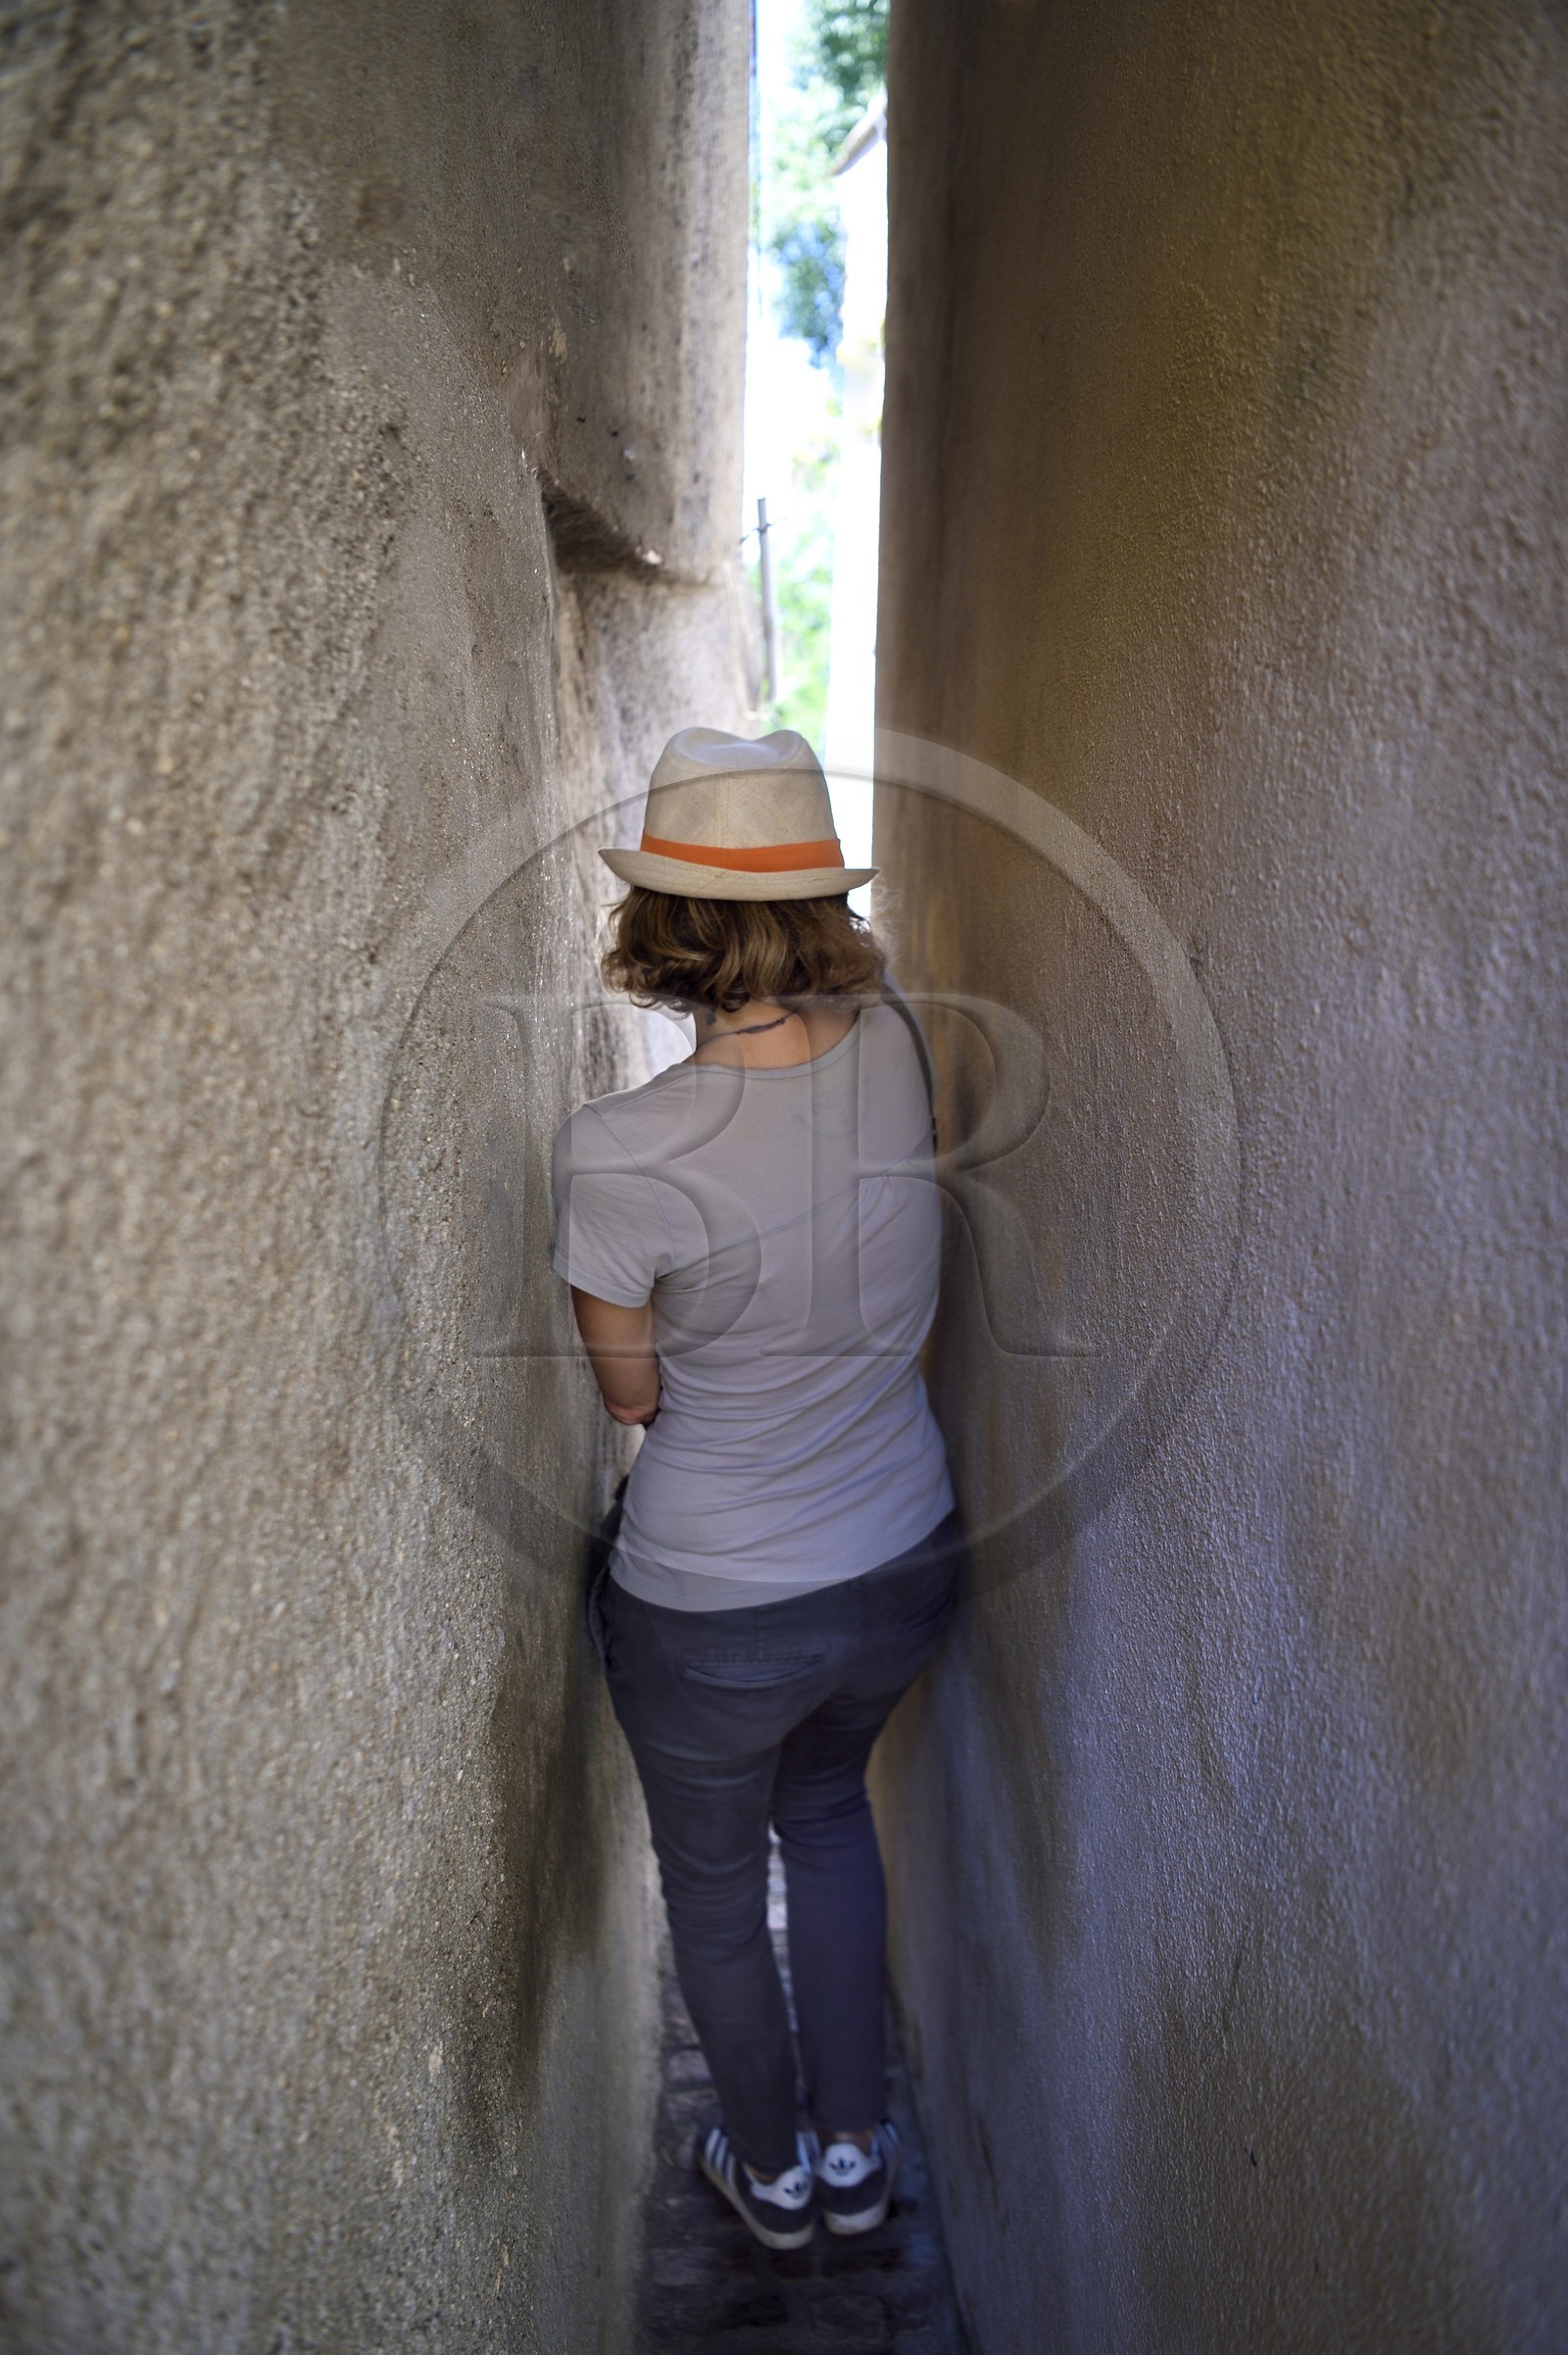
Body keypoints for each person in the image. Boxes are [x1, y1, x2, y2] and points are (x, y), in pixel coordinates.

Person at [550, 726, 961, 2250]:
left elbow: (635, 1398)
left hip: (716, 1613)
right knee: (832, 1819)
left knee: (716, 1894)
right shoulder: (905, 1041)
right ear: (822, 911)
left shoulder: (617, 1151)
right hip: (902, 1565)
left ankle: (772, 2175)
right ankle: (860, 2159)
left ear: (657, 929)